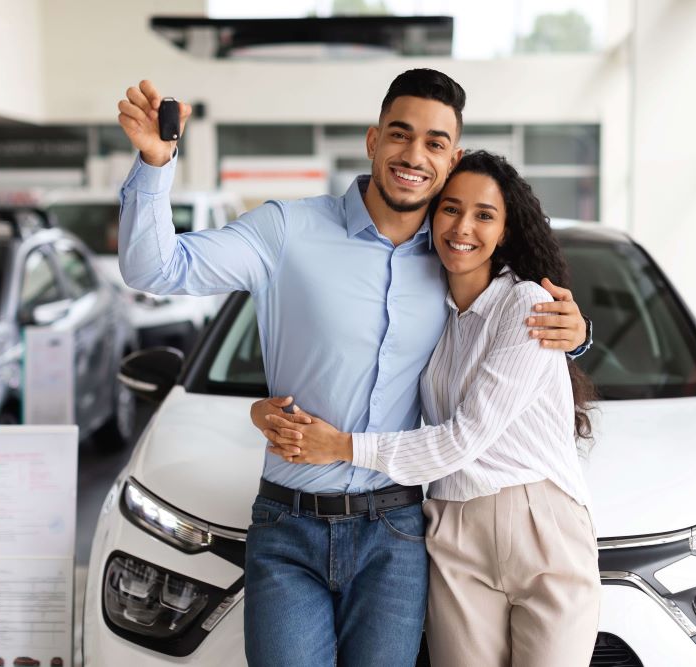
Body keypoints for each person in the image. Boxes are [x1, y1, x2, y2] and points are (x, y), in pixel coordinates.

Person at [115, 69, 592, 666]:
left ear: (453, 158)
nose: (414, 154)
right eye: (400, 133)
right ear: (373, 141)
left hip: (397, 531)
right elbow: (156, 270)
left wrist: (576, 335)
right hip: (288, 523)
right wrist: (156, 166)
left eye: (435, 142)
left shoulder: (456, 260)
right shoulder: (286, 230)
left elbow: (502, 334)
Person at [264, 151, 601, 667]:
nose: (463, 227)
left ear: (506, 231)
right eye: (450, 209)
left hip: (540, 528)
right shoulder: (428, 314)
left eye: (484, 215)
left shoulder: (527, 304)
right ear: (431, 217)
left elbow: (461, 439)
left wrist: (339, 447)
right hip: (452, 529)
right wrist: (261, 410)